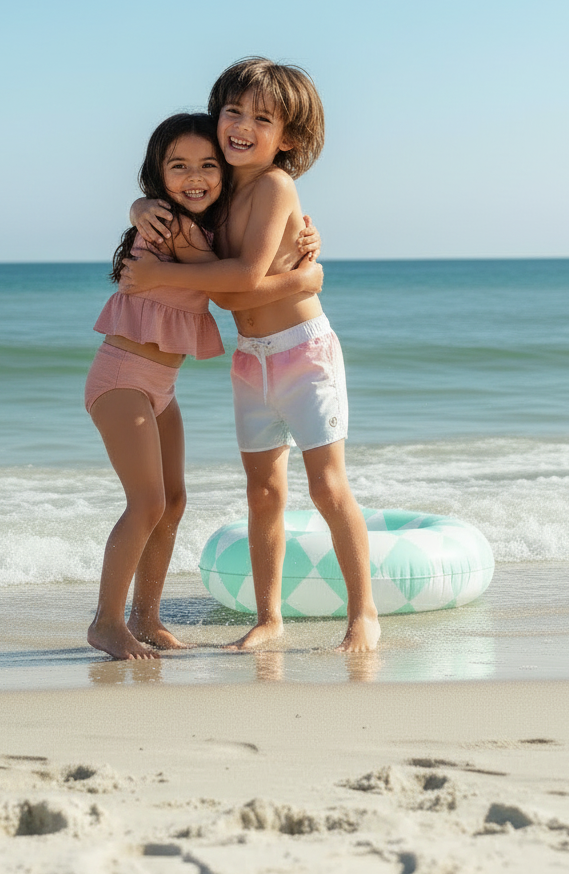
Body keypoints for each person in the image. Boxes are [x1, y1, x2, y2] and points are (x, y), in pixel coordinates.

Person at [122, 59, 380, 654]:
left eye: (262, 118)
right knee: (263, 493)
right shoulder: (214, 189)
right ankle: (270, 619)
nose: (242, 125)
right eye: (233, 111)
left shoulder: (274, 185)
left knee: (327, 485)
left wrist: (304, 280)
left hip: (303, 352)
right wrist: (139, 210)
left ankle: (362, 614)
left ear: (287, 138)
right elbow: (195, 242)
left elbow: (239, 276)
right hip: (250, 358)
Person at [86, 111, 323, 661]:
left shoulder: (201, 225)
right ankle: (106, 621)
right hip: (122, 378)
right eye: (179, 166)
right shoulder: (173, 227)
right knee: (146, 503)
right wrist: (305, 276)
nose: (195, 176)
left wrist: (302, 235)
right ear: (157, 174)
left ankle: (145, 617)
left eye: (207, 165)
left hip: (159, 385)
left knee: (172, 502)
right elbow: (232, 281)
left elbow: (237, 260)